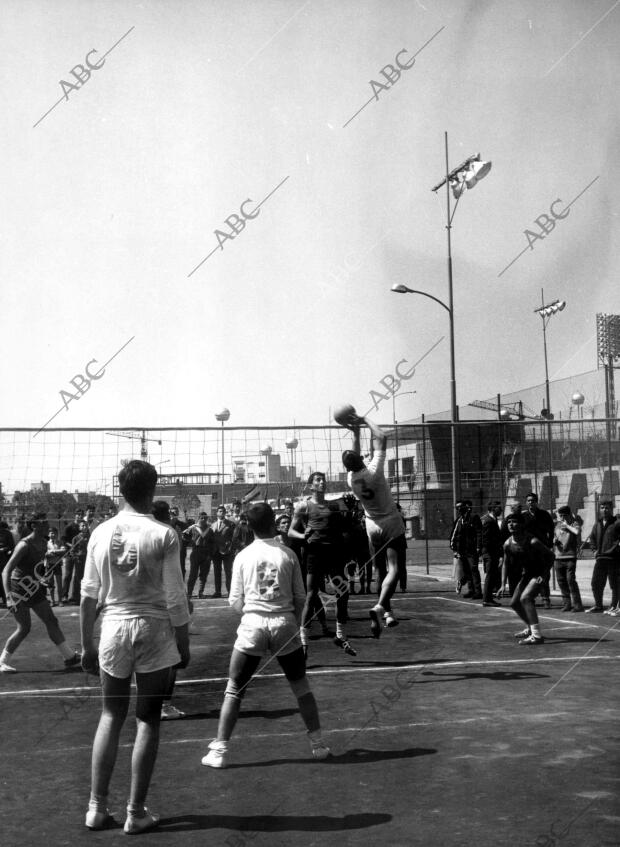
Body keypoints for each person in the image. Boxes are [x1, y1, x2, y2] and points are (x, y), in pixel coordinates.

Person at [80, 460, 190, 833]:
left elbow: (87, 597)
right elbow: (176, 597)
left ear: (120, 489)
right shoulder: (164, 533)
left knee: (110, 715)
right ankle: (135, 811)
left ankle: (96, 808)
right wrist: (183, 641)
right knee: (148, 719)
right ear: (153, 489)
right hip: (154, 628)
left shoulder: (99, 532)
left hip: (112, 627)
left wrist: (85, 646)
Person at [201, 503, 330, 768]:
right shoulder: (287, 554)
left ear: (248, 526)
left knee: (234, 688)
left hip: (253, 625)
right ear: (273, 523)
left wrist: (252, 614)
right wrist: (289, 621)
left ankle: (220, 752)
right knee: (301, 687)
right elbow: (299, 597)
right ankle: (318, 745)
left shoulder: (242, 556)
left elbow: (234, 600)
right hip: (283, 622)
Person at [342, 414, 406, 637]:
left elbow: (355, 456)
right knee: (394, 569)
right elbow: (381, 436)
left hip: (371, 525)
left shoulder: (351, 479)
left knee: (380, 570)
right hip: (390, 521)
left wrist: (356, 432)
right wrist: (364, 419)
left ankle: (388, 613)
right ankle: (380, 606)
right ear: (361, 460)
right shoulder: (374, 471)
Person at [0, 512, 80, 673]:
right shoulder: (24, 545)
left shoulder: (43, 543)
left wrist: (43, 574)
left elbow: (39, 565)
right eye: (43, 522)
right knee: (24, 627)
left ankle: (69, 657)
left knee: (51, 620)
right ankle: (2, 661)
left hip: (34, 587)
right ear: (34, 526)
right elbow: (6, 571)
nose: (47, 525)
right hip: (18, 590)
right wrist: (8, 597)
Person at [289, 473, 355, 657]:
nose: (322, 482)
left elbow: (343, 527)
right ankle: (303, 642)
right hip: (314, 553)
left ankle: (340, 635)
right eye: (317, 480)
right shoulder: (304, 505)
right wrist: (303, 536)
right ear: (310, 485)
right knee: (311, 595)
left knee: (343, 591)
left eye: (323, 479)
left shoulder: (333, 506)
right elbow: (291, 531)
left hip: (332, 552)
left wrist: (349, 512)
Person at [152, 499, 189, 720]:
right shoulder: (169, 534)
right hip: (166, 604)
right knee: (172, 657)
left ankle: (152, 703)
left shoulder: (139, 532)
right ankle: (164, 704)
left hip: (143, 604)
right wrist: (182, 601)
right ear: (167, 515)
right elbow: (173, 576)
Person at [503, 511, 554, 645]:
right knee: (514, 603)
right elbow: (506, 563)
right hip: (527, 574)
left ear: (521, 525)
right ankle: (530, 628)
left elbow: (551, 556)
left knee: (526, 598)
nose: (511, 525)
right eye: (509, 522)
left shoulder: (533, 541)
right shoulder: (507, 544)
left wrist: (544, 575)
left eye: (514, 522)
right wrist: (503, 584)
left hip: (540, 573)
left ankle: (537, 636)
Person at [585, 500, 620, 614]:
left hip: (613, 559)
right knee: (596, 583)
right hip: (600, 559)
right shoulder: (598, 524)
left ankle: (614, 606)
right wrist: (594, 550)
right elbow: (592, 539)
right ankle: (598, 605)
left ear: (611, 509)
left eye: (607, 508)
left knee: (614, 584)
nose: (604, 510)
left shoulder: (617, 523)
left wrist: (615, 549)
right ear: (599, 509)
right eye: (602, 507)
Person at [523, 492, 554, 610]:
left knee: (544, 574)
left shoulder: (544, 515)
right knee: (529, 574)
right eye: (529, 501)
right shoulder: (524, 517)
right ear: (526, 503)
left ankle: (546, 599)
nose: (531, 502)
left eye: (533, 500)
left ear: (537, 502)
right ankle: (530, 598)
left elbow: (551, 530)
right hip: (529, 551)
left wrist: (549, 545)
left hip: (543, 549)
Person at [553, 506, 584, 612]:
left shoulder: (574, 524)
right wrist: (554, 540)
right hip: (558, 556)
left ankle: (577, 605)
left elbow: (577, 532)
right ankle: (567, 604)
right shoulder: (557, 525)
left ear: (568, 515)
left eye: (563, 515)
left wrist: (567, 526)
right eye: (560, 515)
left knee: (570, 580)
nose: (561, 518)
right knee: (561, 581)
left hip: (570, 556)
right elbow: (555, 536)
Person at [449, 500, 483, 599]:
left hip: (472, 550)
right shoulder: (459, 520)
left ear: (465, 507)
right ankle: (471, 590)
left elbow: (479, 532)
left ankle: (478, 591)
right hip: (462, 550)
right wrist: (454, 548)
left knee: (473, 569)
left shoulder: (473, 517)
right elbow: (454, 535)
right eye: (457, 508)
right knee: (467, 571)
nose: (459, 509)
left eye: (460, 507)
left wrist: (478, 546)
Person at [183, 512, 215, 599]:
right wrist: (187, 538)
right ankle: (189, 593)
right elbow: (185, 537)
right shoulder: (193, 528)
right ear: (198, 518)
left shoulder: (210, 530)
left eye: (205, 518)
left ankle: (200, 592)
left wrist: (210, 555)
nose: (203, 520)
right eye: (202, 518)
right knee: (193, 574)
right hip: (196, 552)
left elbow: (213, 543)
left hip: (206, 553)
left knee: (204, 574)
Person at [480, 501, 503, 607]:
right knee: (490, 575)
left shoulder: (493, 520)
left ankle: (488, 598)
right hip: (490, 553)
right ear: (493, 509)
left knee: (492, 575)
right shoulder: (489, 521)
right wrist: (491, 552)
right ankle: (486, 599)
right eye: (499, 508)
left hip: (492, 553)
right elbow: (486, 539)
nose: (501, 510)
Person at [61, 508, 85, 604]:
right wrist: (72, 545)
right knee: (67, 575)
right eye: (78, 514)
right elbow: (63, 540)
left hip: (79, 556)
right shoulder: (69, 526)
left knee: (78, 576)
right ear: (75, 515)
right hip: (69, 554)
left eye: (81, 514)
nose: (79, 516)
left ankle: (75, 596)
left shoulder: (83, 526)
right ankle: (64, 596)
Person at [211, 505, 235, 597]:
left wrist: (230, 548)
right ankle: (218, 592)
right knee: (217, 572)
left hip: (227, 551)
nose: (221, 513)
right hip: (216, 552)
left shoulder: (230, 524)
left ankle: (230, 591)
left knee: (228, 572)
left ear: (225, 513)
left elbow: (234, 538)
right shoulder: (212, 525)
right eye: (220, 511)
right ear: (217, 513)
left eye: (223, 511)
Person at [44, 527, 66, 606]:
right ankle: (52, 600)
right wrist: (48, 553)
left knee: (59, 583)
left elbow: (63, 550)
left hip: (57, 565)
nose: (52, 534)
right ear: (48, 534)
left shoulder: (60, 542)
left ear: (56, 534)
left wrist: (53, 551)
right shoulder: (46, 543)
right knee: (50, 583)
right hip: (49, 565)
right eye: (51, 533)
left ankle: (60, 600)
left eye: (54, 533)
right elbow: (44, 553)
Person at [0, 520, 15, 608]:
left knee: (4, 579)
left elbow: (12, 547)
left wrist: (5, 549)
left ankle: (6, 599)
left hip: (4, 560)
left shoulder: (7, 533)